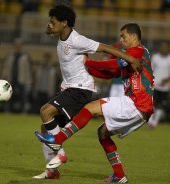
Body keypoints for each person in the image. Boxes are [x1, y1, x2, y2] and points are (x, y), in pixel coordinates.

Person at [33, 5, 142, 180]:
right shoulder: (62, 36)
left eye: (53, 22)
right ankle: (52, 171)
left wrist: (129, 58)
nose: (50, 25)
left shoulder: (77, 40)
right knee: (45, 127)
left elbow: (105, 48)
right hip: (70, 88)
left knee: (45, 111)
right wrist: (50, 30)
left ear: (64, 23)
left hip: (80, 89)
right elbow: (52, 31)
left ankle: (59, 150)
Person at [148, 41, 170, 129]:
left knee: (160, 105)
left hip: (165, 87)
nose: (164, 49)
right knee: (151, 104)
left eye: (165, 47)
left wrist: (167, 79)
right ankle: (150, 121)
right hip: (155, 85)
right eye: (162, 47)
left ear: (168, 49)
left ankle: (154, 123)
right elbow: (150, 69)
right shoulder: (155, 57)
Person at [0, 38, 32, 113]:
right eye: (16, 45)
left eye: (19, 45)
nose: (18, 46)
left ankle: (23, 111)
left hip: (22, 79)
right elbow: (5, 67)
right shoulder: (10, 55)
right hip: (11, 79)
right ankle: (7, 110)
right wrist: (3, 77)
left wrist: (28, 81)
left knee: (23, 96)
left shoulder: (25, 56)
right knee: (9, 95)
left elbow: (28, 70)